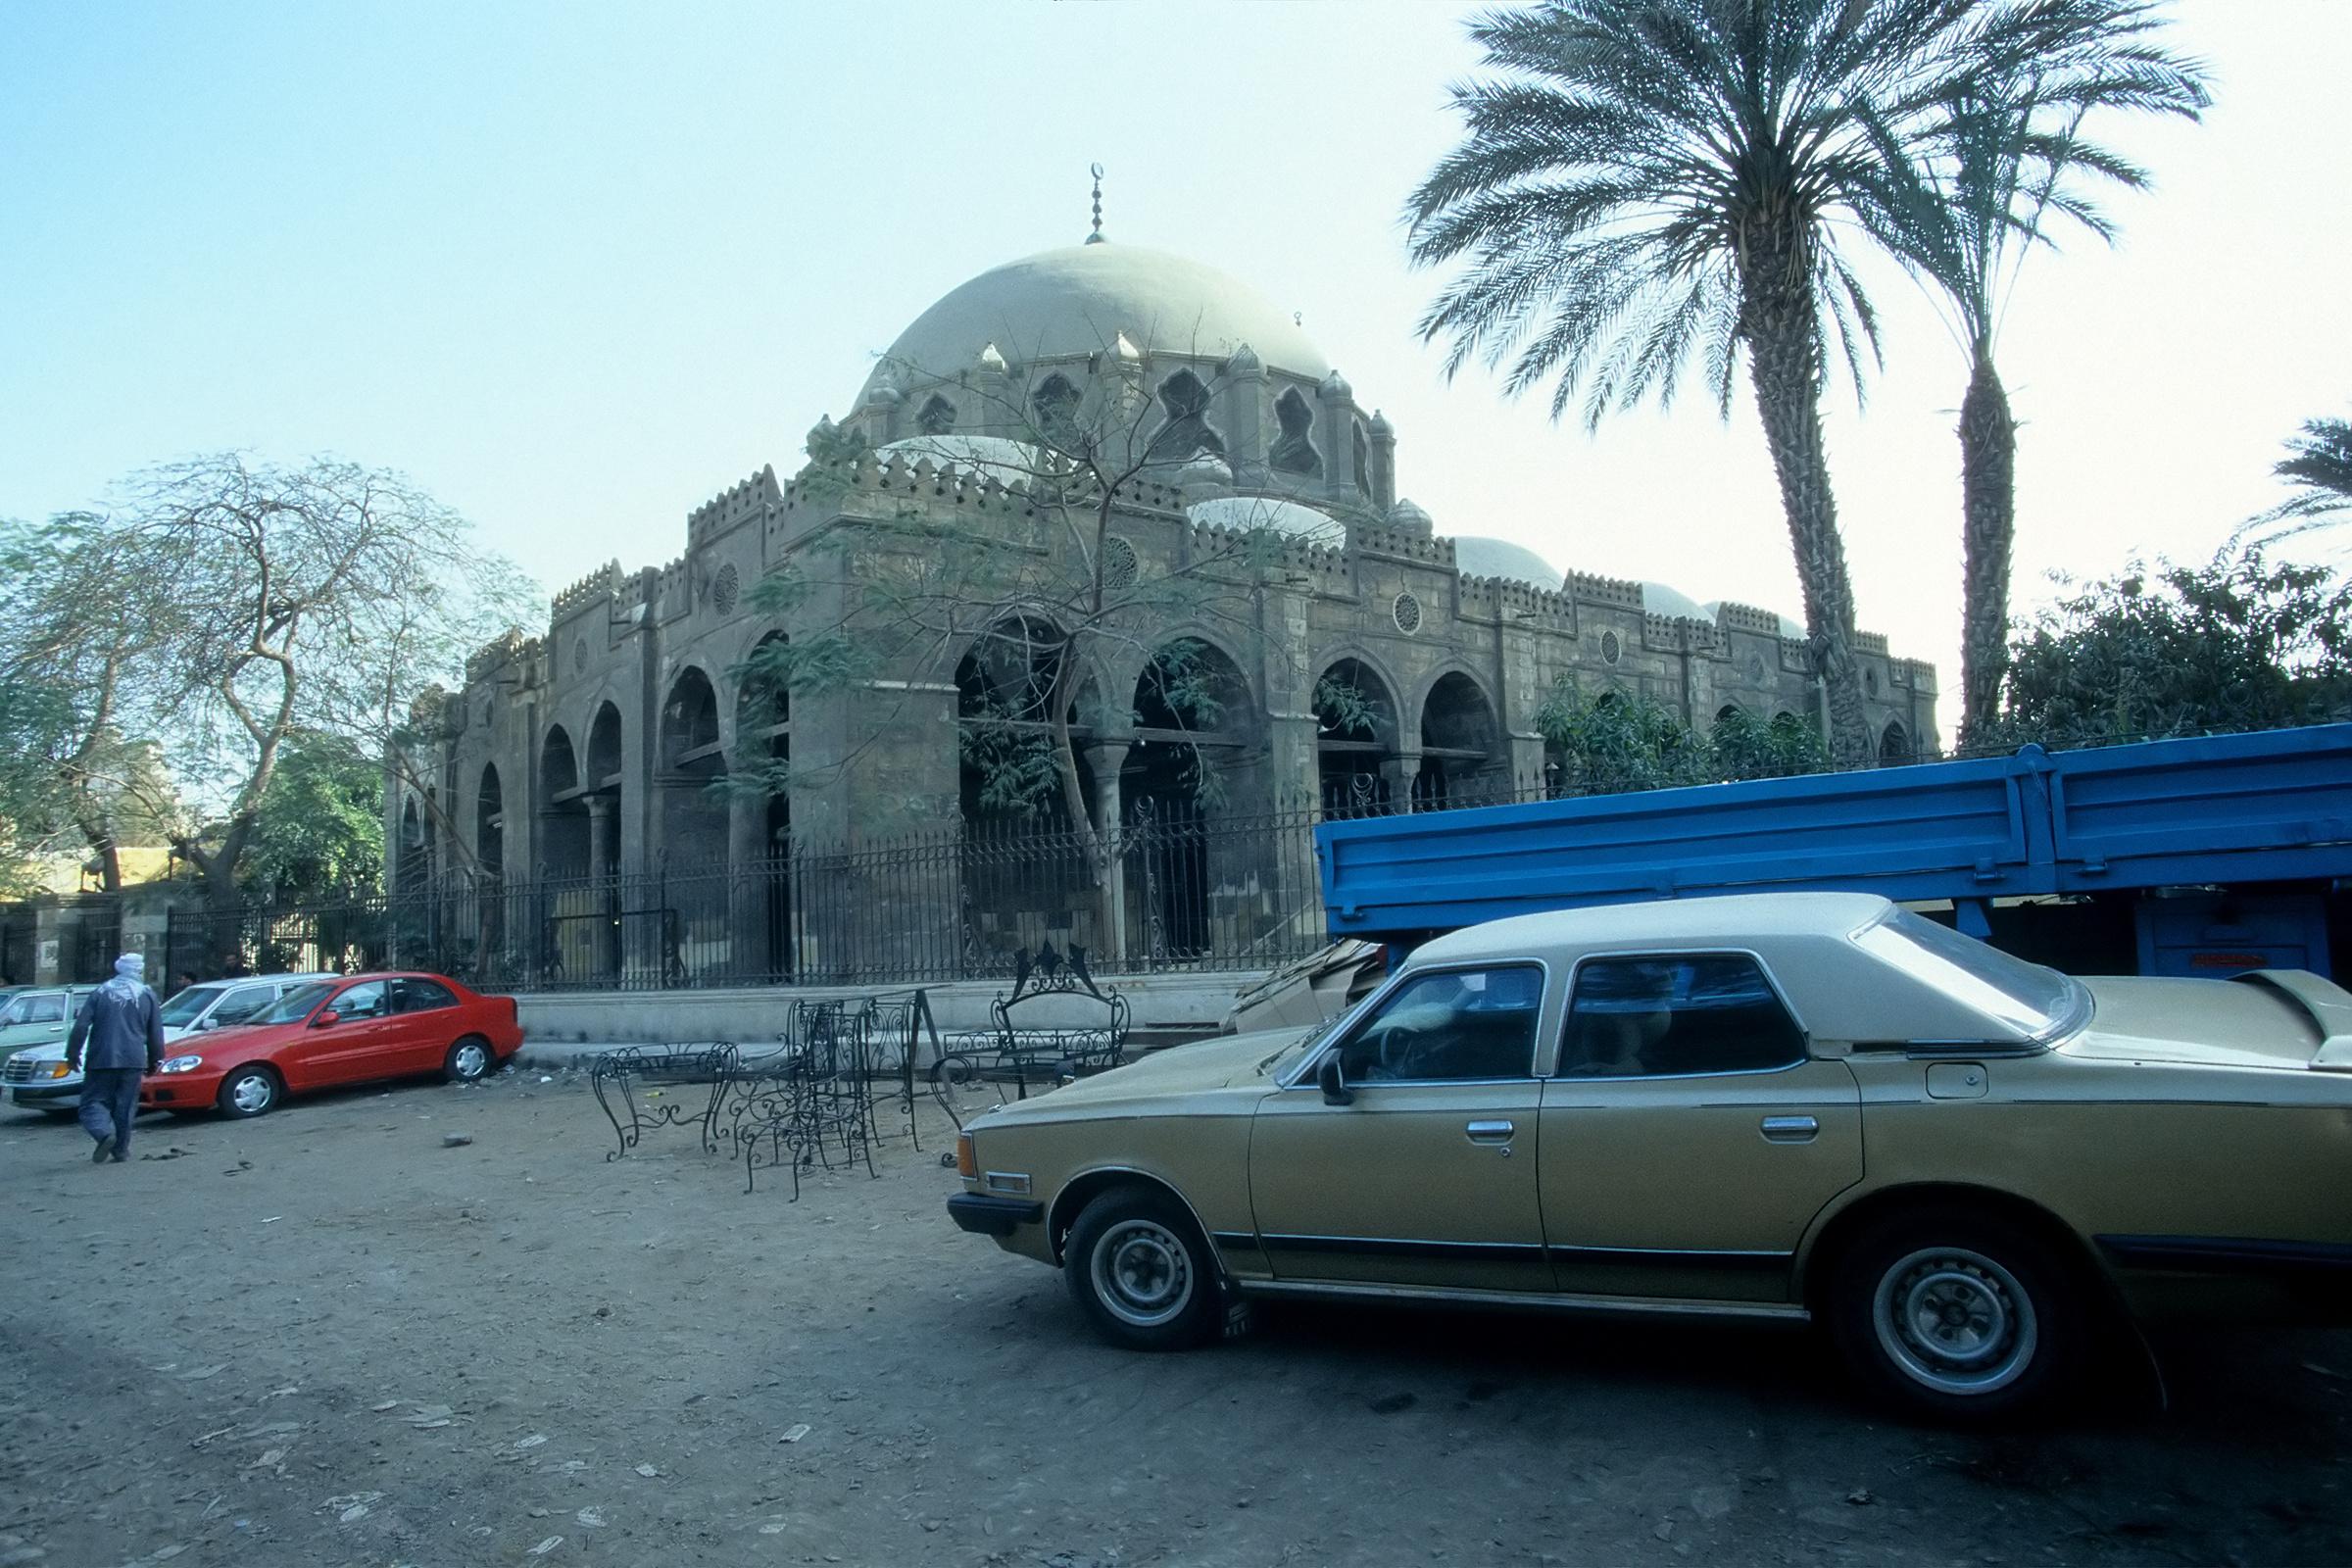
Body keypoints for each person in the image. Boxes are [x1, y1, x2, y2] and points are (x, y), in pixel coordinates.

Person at [66, 954, 163, 1164]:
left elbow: (81, 1027)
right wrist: (156, 1059)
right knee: (125, 1106)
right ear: (139, 970)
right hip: (133, 1059)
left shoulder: (101, 992)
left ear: (118, 968)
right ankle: (120, 1150)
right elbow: (155, 1032)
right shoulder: (147, 994)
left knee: (92, 1102)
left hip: (101, 1057)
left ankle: (102, 1133)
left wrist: (73, 1054)